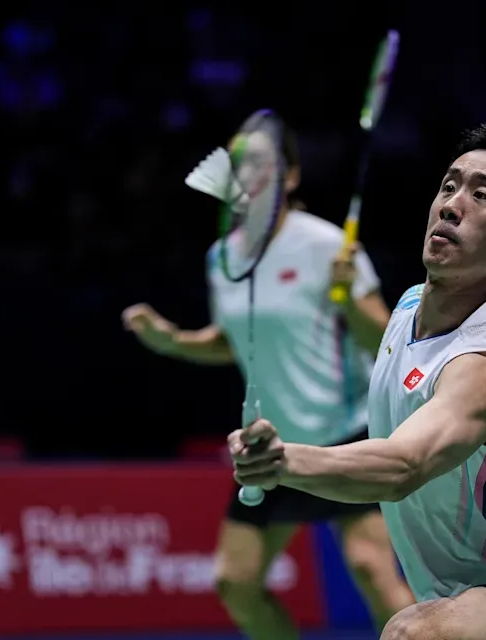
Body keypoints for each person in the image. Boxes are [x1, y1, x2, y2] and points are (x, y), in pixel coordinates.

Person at [229, 123, 486, 640]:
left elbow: (403, 466)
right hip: (467, 602)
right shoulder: (411, 304)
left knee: (413, 634)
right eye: (449, 186)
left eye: (481, 195)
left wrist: (283, 462)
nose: (452, 205)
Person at [122, 117, 414, 640]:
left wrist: (349, 297)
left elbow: (386, 342)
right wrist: (172, 340)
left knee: (372, 569)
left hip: (347, 432)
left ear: (291, 176)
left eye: (261, 163)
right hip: (274, 442)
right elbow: (235, 342)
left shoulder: (326, 245)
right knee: (235, 582)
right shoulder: (223, 258)